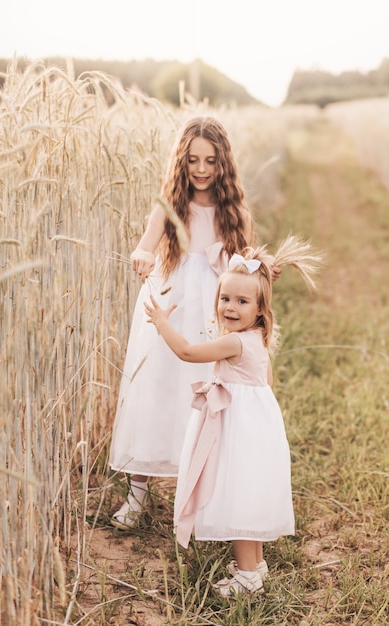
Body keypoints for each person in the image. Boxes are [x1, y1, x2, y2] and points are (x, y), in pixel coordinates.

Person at [109, 115, 280, 529]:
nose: (201, 169)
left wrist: (263, 264)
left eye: (210, 161)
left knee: (210, 391)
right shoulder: (168, 207)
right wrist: (143, 256)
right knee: (156, 387)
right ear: (180, 163)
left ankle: (207, 492)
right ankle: (138, 493)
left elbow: (243, 260)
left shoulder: (234, 210)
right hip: (171, 302)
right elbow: (145, 246)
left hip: (215, 310)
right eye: (192, 161)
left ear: (224, 164)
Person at [144, 239, 321, 597]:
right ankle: (254, 565)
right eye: (225, 299)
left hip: (238, 428)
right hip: (254, 426)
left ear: (259, 309)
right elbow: (267, 383)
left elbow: (188, 351)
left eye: (242, 302)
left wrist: (162, 322)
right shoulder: (257, 338)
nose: (230, 307)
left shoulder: (235, 343)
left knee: (238, 495)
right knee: (248, 493)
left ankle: (247, 578)